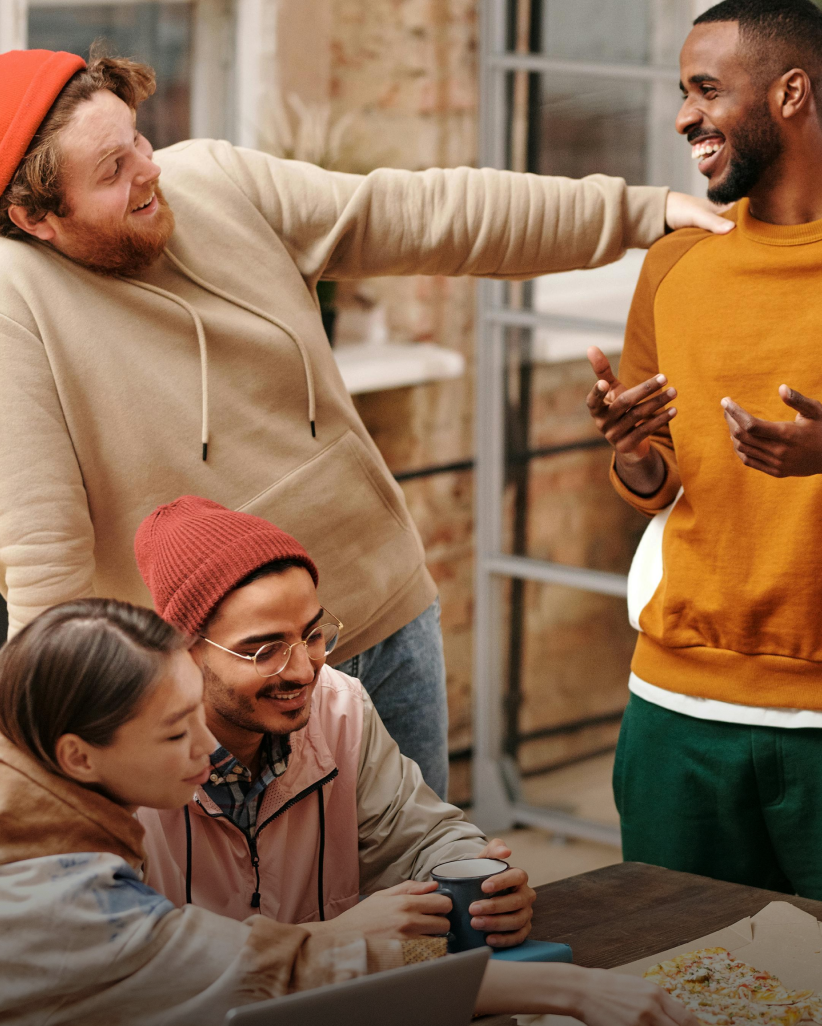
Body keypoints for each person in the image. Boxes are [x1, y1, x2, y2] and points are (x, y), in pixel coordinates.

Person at [0, 49, 733, 803]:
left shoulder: (215, 182)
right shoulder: (14, 307)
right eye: (112, 169)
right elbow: (43, 563)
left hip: (387, 621)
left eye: (139, 140)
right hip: (224, 692)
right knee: (277, 918)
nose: (149, 169)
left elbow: (422, 214)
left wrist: (640, 213)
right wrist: (66, 773)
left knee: (432, 889)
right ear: (35, 217)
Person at [0, 596, 717, 1026]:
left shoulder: (37, 779)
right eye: (173, 733)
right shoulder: (66, 900)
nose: (203, 747)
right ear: (77, 755)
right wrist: (575, 992)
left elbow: (421, 828)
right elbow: (284, 977)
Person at [585, 0, 822, 897]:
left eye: (707, 90)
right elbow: (660, 476)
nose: (685, 116)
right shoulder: (677, 263)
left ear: (791, 92)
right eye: (683, 91)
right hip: (677, 715)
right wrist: (637, 454)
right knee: (677, 990)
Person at [133, 494, 534, 947]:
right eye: (265, 651)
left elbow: (417, 837)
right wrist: (333, 940)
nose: (304, 671)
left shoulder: (339, 708)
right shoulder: (122, 765)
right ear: (185, 651)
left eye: (312, 635)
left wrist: (484, 885)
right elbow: (127, 966)